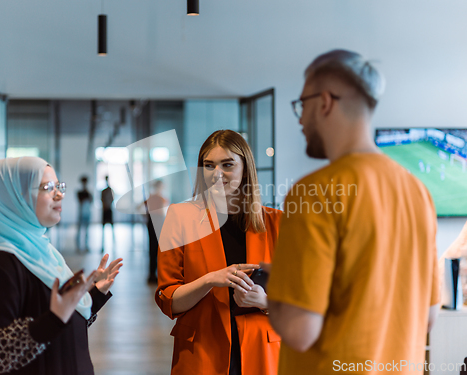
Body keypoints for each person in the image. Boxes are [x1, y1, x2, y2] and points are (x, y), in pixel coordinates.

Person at [266, 49, 440, 375]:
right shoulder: (419, 192)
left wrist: (277, 287)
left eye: (301, 105)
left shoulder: (313, 191)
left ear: (325, 102)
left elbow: (298, 331)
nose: (301, 119)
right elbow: (428, 316)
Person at [0, 157, 123, 375]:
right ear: (12, 197)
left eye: (59, 186)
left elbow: (61, 331)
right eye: (46, 187)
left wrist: (93, 295)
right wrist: (54, 319)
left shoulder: (45, 253)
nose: (59, 194)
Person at [155, 130, 282, 375]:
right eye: (209, 165)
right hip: (202, 352)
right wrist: (209, 280)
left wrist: (265, 302)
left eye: (227, 165)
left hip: (262, 353)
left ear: (245, 168)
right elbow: (167, 299)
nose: (217, 174)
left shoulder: (277, 222)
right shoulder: (180, 218)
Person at [140, 180, 169, 284]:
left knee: (154, 248)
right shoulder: (160, 198)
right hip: (157, 222)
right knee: (156, 249)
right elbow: (162, 211)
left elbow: (140, 207)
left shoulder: (151, 198)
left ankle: (153, 273)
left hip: (152, 222)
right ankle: (155, 274)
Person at [76, 175, 92, 252]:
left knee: (87, 231)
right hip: (81, 213)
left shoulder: (88, 192)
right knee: (79, 230)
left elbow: (91, 200)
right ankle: (78, 246)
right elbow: (80, 201)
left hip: (87, 213)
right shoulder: (79, 192)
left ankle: (86, 245)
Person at [101, 175, 115, 253]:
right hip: (106, 210)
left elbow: (112, 199)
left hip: (109, 209)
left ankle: (113, 243)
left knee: (112, 226)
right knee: (103, 227)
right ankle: (103, 244)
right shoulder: (104, 191)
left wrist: (107, 205)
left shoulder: (110, 190)